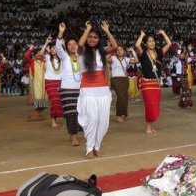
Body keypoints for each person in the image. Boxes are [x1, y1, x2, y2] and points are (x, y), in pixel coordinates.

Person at [77, 21, 118, 158]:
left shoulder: (102, 52)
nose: (92, 39)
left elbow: (115, 46)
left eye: (95, 37)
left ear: (99, 40)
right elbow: (80, 44)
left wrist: (107, 31)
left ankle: (97, 146)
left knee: (103, 121)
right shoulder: (82, 52)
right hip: (88, 91)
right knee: (92, 119)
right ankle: (89, 148)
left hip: (103, 90)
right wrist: (87, 29)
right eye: (90, 37)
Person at [135, 29, 172, 134]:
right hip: (146, 83)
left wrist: (163, 33)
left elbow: (169, 43)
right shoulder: (142, 53)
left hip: (156, 83)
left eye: (153, 41)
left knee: (155, 105)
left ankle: (150, 126)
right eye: (149, 41)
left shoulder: (159, 53)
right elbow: (137, 45)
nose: (152, 43)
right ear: (145, 44)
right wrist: (142, 35)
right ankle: (147, 127)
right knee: (149, 105)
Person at [56, 23, 82, 146]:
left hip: (81, 90)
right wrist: (61, 32)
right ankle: (73, 137)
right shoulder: (64, 57)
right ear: (66, 46)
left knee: (81, 113)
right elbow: (58, 47)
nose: (72, 46)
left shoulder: (82, 57)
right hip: (66, 90)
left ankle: (75, 132)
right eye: (69, 44)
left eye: (74, 44)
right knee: (71, 113)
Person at [108, 45, 138, 122]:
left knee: (125, 97)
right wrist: (110, 49)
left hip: (125, 79)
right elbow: (106, 58)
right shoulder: (113, 58)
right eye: (117, 50)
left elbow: (136, 60)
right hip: (116, 79)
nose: (119, 51)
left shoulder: (126, 59)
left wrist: (132, 51)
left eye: (121, 49)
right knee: (120, 96)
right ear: (116, 51)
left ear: (124, 51)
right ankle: (118, 115)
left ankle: (123, 114)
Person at [43, 36, 64, 128]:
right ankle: (53, 122)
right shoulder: (47, 57)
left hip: (60, 82)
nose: (53, 49)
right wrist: (46, 43)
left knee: (59, 101)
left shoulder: (63, 59)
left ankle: (55, 121)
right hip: (49, 82)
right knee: (54, 100)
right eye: (52, 48)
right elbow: (39, 54)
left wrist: (63, 45)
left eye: (55, 48)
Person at [25, 43, 48, 122]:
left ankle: (39, 114)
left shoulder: (44, 62)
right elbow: (26, 56)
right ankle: (37, 114)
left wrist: (46, 45)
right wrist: (31, 48)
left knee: (43, 98)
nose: (39, 54)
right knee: (37, 97)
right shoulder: (32, 62)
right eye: (37, 53)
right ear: (34, 55)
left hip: (45, 83)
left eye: (40, 53)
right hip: (36, 84)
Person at [176, 44, 195, 109]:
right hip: (180, 76)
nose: (183, 55)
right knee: (185, 89)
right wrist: (180, 48)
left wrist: (190, 50)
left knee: (186, 89)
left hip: (185, 76)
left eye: (184, 54)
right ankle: (186, 104)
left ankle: (182, 103)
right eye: (182, 54)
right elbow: (177, 55)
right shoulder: (177, 60)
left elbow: (193, 57)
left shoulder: (186, 60)